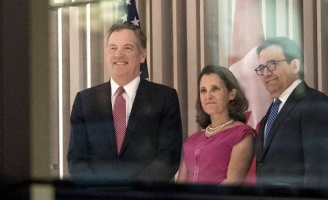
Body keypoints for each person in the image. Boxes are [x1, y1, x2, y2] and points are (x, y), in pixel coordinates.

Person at [67, 23, 183, 182]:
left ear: (142, 54)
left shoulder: (164, 98)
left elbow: (168, 156)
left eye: (127, 48)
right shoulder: (85, 100)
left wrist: (134, 194)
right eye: (113, 48)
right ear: (106, 54)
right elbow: (77, 158)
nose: (118, 55)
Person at [254, 37, 328, 188]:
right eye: (261, 68)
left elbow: (317, 173)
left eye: (271, 65)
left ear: (294, 65)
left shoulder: (314, 103)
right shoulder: (272, 110)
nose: (266, 73)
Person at [176, 65, 255, 185]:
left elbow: (232, 182)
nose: (208, 96)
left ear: (232, 94)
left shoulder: (242, 134)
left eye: (215, 89)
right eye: (203, 90)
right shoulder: (192, 140)